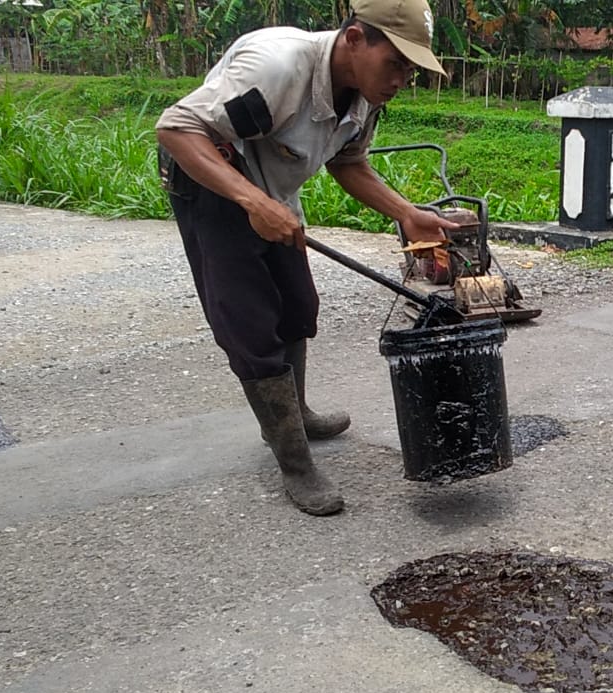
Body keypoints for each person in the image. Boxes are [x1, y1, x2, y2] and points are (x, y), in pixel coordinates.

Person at [155, 0, 455, 517]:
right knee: (249, 323)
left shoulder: (363, 94)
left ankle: (297, 412)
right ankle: (294, 462)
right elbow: (177, 130)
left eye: (412, 68)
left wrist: (405, 213)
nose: (402, 79)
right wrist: (252, 202)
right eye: (396, 63)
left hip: (270, 188)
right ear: (356, 39)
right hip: (211, 182)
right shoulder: (276, 67)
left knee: (298, 306)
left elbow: (348, 161)